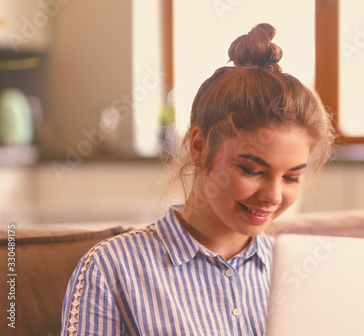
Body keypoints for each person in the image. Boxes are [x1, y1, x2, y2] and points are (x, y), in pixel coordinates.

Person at [61, 23, 335, 335]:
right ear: (199, 147)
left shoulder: (296, 270)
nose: (273, 196)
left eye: (291, 177)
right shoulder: (111, 268)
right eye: (252, 170)